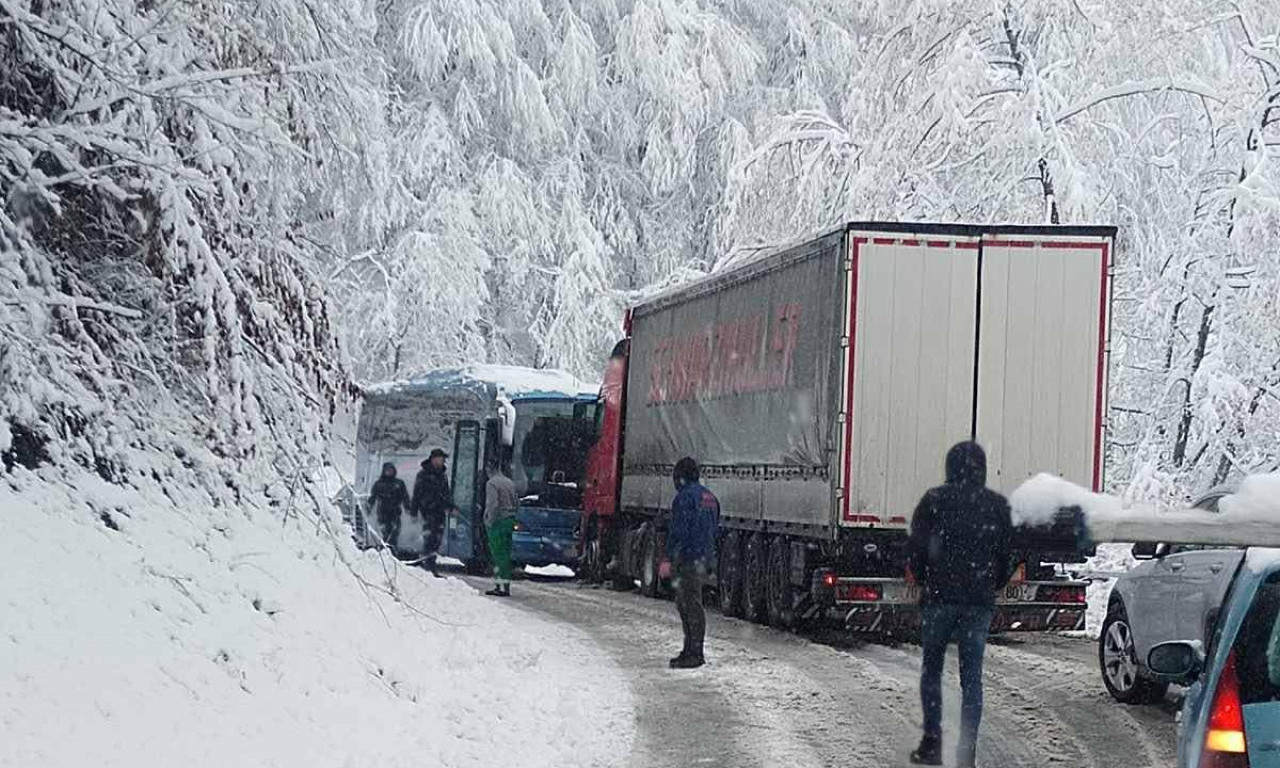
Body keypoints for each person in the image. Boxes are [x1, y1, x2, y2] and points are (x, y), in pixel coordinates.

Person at [905, 441, 1013, 768]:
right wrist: (991, 585)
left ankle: (932, 744)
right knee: (972, 678)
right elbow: (1006, 555)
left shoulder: (934, 500)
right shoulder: (997, 506)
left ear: (949, 467)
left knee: (932, 670)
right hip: (978, 602)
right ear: (982, 469)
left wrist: (924, 579)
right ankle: (967, 752)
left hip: (940, 598)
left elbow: (917, 548)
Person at [659, 457, 720, 669]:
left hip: (688, 559)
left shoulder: (683, 498)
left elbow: (678, 532)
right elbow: (715, 529)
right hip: (705, 557)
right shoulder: (710, 497)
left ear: (681, 477)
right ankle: (692, 649)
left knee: (688, 604)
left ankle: (694, 652)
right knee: (692, 602)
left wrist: (668, 558)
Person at [483, 450, 518, 597]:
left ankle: (500, 586)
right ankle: (506, 585)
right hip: (509, 521)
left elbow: (493, 504)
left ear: (489, 468)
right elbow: (517, 503)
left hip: (498, 522)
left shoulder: (492, 483)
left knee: (497, 555)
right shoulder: (509, 482)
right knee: (506, 554)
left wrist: (489, 521)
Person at [413, 448, 453, 575]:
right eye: (441, 459)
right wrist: (415, 511)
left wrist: (449, 506)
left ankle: (430, 563)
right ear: (434, 459)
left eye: (443, 460)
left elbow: (446, 493)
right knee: (430, 538)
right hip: (428, 510)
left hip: (440, 511)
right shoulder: (424, 474)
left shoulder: (442, 475)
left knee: (437, 539)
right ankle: (429, 565)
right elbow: (417, 494)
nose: (442, 462)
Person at [368, 462, 409, 554]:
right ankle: (385, 551)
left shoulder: (398, 483)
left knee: (395, 532)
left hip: (395, 512)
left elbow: (405, 497)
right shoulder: (379, 484)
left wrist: (408, 508)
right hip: (383, 512)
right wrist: (369, 508)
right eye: (387, 470)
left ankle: (392, 551)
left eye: (391, 470)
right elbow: (373, 497)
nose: (389, 472)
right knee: (386, 533)